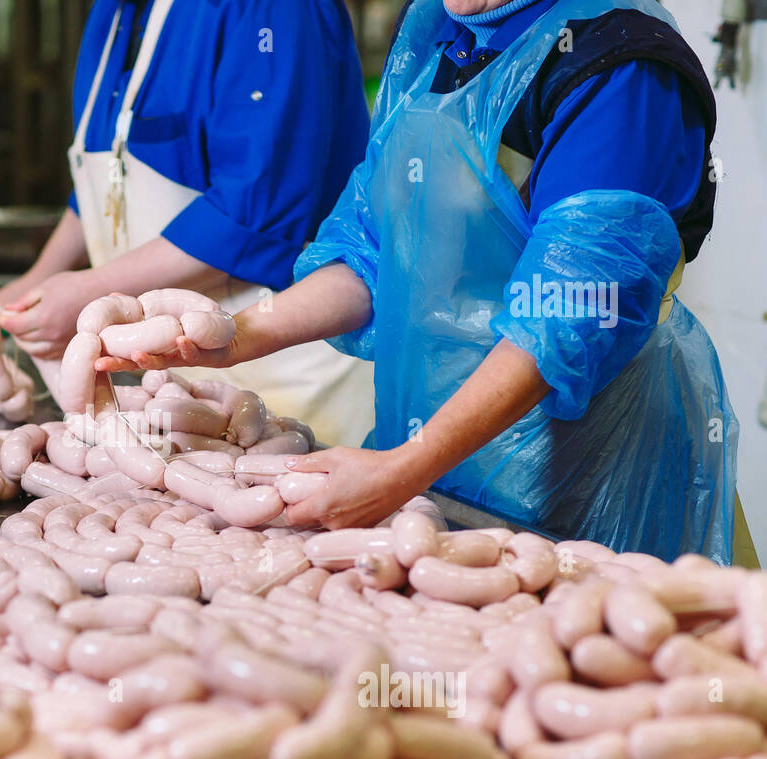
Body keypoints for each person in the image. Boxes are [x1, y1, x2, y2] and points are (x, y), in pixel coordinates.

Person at [97, 0, 750, 564]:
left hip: (585, 470)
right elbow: (373, 252)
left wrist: (403, 469)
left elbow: (567, 315)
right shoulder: (435, 32)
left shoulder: (620, 64)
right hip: (434, 462)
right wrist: (236, 335)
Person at [0, 0, 375, 446]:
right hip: (170, 378)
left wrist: (90, 291)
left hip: (288, 373)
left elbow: (252, 214)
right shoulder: (117, 13)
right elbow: (107, 180)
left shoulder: (273, 10)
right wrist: (39, 279)